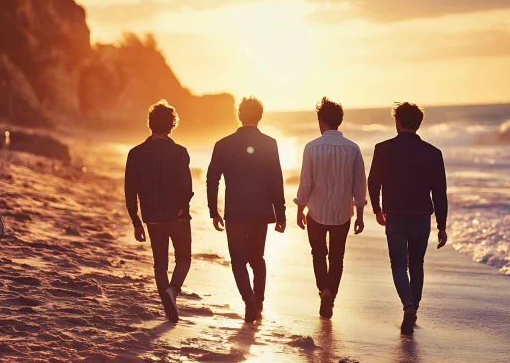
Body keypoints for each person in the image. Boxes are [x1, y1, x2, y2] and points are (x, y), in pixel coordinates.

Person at [368, 102, 448, 335]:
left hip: (396, 216)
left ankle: (408, 304)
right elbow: (439, 193)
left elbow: (373, 182)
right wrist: (442, 226)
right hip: (422, 217)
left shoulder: (383, 149)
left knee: (398, 265)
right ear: (418, 123)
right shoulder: (433, 153)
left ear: (398, 122)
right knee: (417, 265)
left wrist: (377, 209)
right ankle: (414, 308)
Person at [207, 96, 287, 323]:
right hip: (261, 211)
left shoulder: (223, 144)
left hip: (235, 212)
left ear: (239, 115)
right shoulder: (270, 143)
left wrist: (214, 211)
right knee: (257, 258)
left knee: (238, 261)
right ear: (260, 117)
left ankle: (249, 301)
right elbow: (276, 181)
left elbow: (212, 179)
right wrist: (280, 215)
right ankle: (258, 303)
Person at [295, 97, 367, 319]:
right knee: (337, 257)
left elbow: (306, 182)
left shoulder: (311, 148)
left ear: (321, 120)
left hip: (316, 212)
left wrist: (300, 209)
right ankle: (331, 296)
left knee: (318, 253)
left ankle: (323, 291)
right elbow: (359, 184)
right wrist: (360, 215)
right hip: (342, 213)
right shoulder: (353, 149)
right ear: (339, 121)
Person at [125, 100, 193, 323]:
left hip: (152, 218)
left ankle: (169, 306)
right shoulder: (180, 153)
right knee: (183, 259)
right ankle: (173, 292)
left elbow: (130, 190)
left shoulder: (135, 153)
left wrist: (136, 221)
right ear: (172, 125)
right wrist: (184, 208)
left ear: (150, 124)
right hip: (179, 217)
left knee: (160, 265)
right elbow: (186, 187)